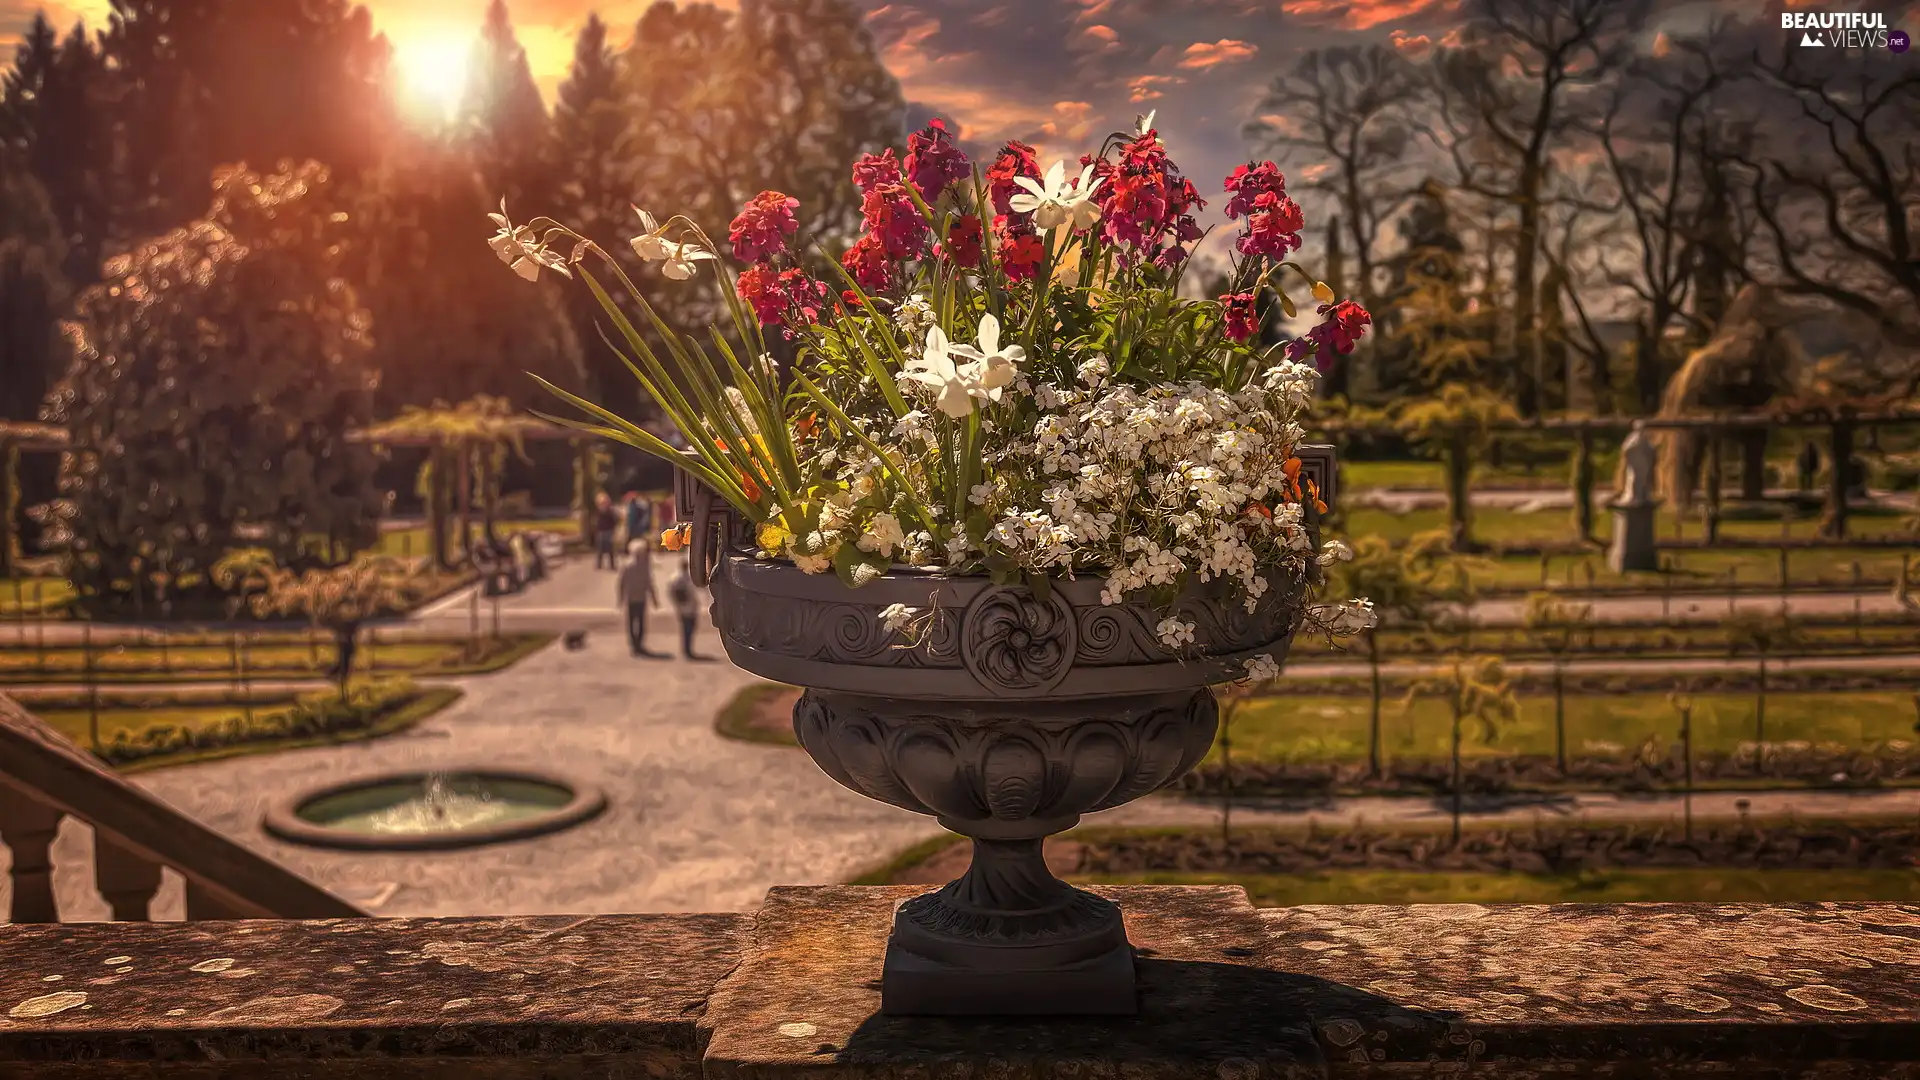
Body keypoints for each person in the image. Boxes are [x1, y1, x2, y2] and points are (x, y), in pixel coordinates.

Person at [618, 539, 664, 657]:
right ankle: (638, 644)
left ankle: (635, 644)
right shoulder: (643, 567)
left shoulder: (627, 566)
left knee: (632, 622)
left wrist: (621, 598)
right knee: (640, 623)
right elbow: (649, 584)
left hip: (632, 598)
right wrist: (654, 599)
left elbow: (622, 584)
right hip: (640, 598)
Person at [668, 565, 709, 661]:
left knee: (686, 629)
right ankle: (687, 650)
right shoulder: (688, 578)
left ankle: (686, 650)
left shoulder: (675, 578)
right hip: (689, 608)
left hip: (682, 608)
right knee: (689, 629)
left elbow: (671, 592)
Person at [593, 492, 618, 570]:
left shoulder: (610, 511)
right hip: (601, 531)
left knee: (610, 548)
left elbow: (615, 520)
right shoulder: (598, 511)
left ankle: (612, 565)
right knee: (600, 548)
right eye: (601, 502)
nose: (603, 504)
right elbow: (596, 521)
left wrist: (613, 529)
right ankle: (599, 564)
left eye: (604, 502)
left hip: (608, 531)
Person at [624, 492, 651, 559]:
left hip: (636, 527)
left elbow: (644, 515)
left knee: (639, 540)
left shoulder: (637, 506)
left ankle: (643, 553)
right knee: (632, 540)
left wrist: (641, 524)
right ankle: (630, 553)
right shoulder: (631, 506)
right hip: (632, 526)